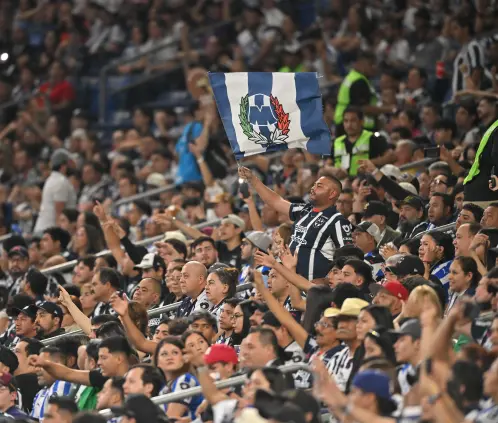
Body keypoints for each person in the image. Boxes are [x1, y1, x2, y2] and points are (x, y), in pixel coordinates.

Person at [238, 166, 353, 280]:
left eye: (319, 186)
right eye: (314, 184)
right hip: (291, 281)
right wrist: (253, 179)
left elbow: (348, 259)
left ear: (332, 194)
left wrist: (328, 281)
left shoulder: (338, 221)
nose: (313, 188)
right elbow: (275, 201)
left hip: (314, 286)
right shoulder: (305, 210)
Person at [334, 51, 394, 134]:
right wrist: (390, 109)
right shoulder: (359, 81)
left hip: (344, 122)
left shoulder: (352, 77)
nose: (374, 67)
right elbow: (363, 108)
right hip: (352, 126)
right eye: (371, 64)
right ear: (361, 63)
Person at [331, 107, 392, 177]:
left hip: (365, 181)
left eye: (353, 121)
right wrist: (332, 170)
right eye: (346, 121)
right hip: (340, 183)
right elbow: (327, 164)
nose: (349, 125)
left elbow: (391, 156)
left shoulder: (373, 138)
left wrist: (370, 163)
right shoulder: (337, 142)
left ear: (362, 121)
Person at [34, 149, 77, 233]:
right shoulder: (60, 181)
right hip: (50, 231)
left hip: (45, 229)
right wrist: (60, 235)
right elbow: (59, 212)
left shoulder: (51, 179)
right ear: (64, 166)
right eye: (70, 163)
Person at [31, 346, 74, 420]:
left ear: (57, 365)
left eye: (42, 365)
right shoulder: (40, 393)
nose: (37, 369)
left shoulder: (63, 384)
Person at [391, 319, 422, 395]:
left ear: (417, 344)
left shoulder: (433, 373)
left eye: (401, 340)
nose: (395, 345)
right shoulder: (403, 372)